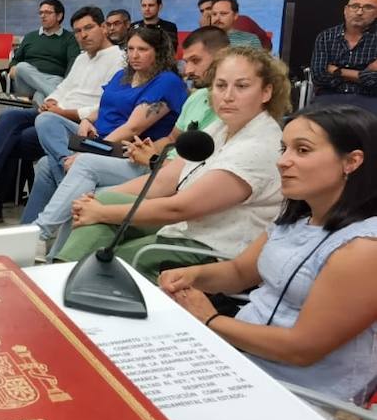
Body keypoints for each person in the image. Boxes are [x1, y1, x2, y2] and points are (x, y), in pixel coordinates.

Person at [160, 104, 377, 404]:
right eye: (283, 148)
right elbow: (238, 273)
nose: (282, 162)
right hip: (241, 361)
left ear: (351, 161)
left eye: (302, 150)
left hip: (300, 396)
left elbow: (301, 349)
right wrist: (195, 276)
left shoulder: (364, 248)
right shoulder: (298, 216)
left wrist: (209, 320)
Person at [55, 46, 290, 275]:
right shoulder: (221, 127)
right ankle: (60, 274)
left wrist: (101, 212)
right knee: (100, 202)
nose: (228, 96)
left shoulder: (259, 146)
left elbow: (179, 207)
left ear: (266, 92)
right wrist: (94, 201)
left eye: (242, 86)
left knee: (105, 262)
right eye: (220, 85)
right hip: (185, 229)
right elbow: (162, 182)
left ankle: (62, 279)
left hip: (210, 251)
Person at [25, 26, 232, 239]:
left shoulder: (168, 82)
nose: (134, 55)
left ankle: (39, 232)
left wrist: (89, 151)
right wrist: (86, 119)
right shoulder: (124, 76)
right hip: (108, 140)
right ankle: (28, 230)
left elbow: (133, 128)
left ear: (158, 52)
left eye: (142, 49)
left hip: (122, 148)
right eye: (130, 49)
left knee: (80, 170)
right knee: (46, 136)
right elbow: (167, 137)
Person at [0, 7, 121, 225]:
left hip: (79, 123)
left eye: (88, 28)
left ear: (104, 28)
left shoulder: (118, 60)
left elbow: (106, 106)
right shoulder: (82, 59)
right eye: (77, 31)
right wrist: (52, 101)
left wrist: (63, 112)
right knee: (10, 117)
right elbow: (65, 87)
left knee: (14, 140)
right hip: (56, 113)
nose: (83, 35)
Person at [309, 0, 377, 114]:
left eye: (368, 7)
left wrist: (337, 71)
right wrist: (364, 73)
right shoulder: (326, 37)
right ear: (346, 10)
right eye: (354, 6)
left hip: (369, 100)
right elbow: (319, 77)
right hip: (328, 98)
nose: (359, 12)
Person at [5, 0, 79, 103]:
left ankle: (40, 114)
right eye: (41, 13)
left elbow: (73, 63)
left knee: (40, 96)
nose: (43, 16)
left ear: (59, 16)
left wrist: (66, 83)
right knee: (22, 66)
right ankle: (58, 95)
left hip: (54, 79)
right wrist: (13, 66)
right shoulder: (30, 37)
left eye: (48, 12)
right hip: (26, 84)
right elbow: (16, 60)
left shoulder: (69, 38)